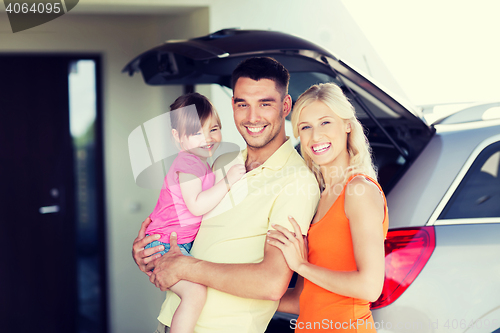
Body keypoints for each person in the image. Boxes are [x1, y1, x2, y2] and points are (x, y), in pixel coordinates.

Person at [132, 57, 320, 333]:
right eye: (243, 104)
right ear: (232, 106)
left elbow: (271, 283)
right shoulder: (222, 164)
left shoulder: (296, 181)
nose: (252, 117)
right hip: (172, 322)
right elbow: (185, 227)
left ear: (286, 106)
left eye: (265, 104)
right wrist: (151, 253)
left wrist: (184, 268)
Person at [267, 82, 389, 332]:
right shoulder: (318, 197)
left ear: (347, 125)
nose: (316, 136)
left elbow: (370, 287)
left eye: (325, 122)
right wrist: (233, 290)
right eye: (306, 127)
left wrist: (301, 266)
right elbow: (304, 299)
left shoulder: (359, 191)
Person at [144, 92, 246, 333]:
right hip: (163, 245)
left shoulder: (200, 163)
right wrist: (228, 181)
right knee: (195, 293)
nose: (207, 138)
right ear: (177, 138)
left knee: (196, 291)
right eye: (196, 133)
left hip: (175, 243)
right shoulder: (188, 163)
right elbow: (197, 205)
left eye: (214, 129)